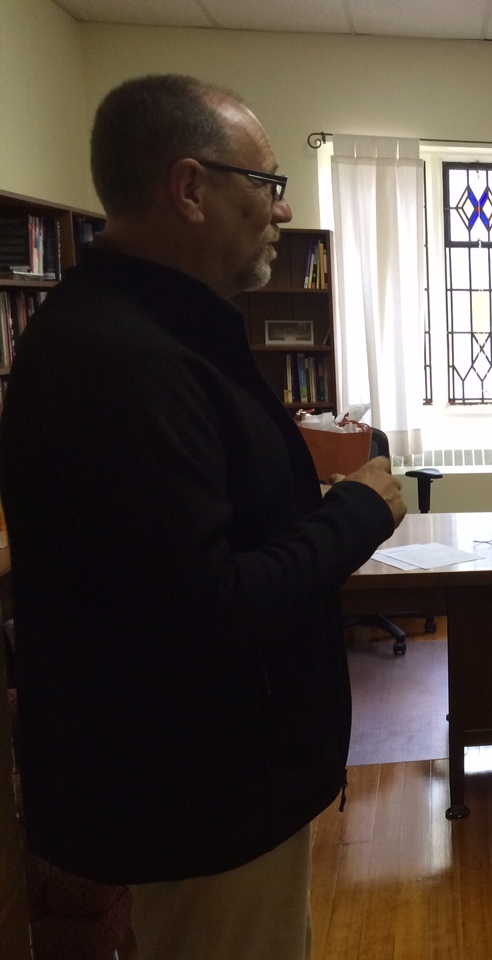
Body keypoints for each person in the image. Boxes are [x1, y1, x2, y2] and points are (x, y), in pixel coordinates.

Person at [0, 75, 406, 959]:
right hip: (202, 796)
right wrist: (358, 513)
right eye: (264, 185)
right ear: (190, 189)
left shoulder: (158, 329)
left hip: (215, 783)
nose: (283, 209)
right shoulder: (121, 359)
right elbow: (206, 607)